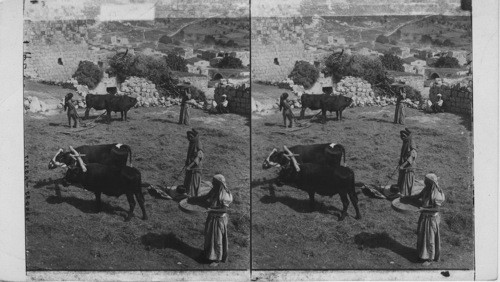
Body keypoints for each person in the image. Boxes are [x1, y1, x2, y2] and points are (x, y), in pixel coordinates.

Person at [403, 173, 445, 266]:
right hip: (424, 216)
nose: (425, 183)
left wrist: (423, 209)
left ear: (431, 183)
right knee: (422, 236)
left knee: (430, 238)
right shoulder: (427, 189)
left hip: (431, 218)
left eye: (426, 181)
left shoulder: (437, 194)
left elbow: (437, 209)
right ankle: (422, 254)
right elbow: (418, 196)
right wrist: (407, 198)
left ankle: (430, 259)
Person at [202, 174, 233, 267]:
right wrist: (192, 199)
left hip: (219, 219)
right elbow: (205, 197)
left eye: (214, 182)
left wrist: (211, 210)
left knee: (217, 240)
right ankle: (209, 254)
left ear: (219, 183)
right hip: (211, 217)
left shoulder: (225, 194)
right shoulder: (215, 190)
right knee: (209, 236)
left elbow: (225, 210)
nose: (212, 183)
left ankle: (217, 259)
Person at [184, 129, 204, 198]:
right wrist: (187, 161)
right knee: (188, 179)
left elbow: (199, 157)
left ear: (194, 136)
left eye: (191, 136)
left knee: (194, 180)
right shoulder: (191, 142)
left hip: (196, 167)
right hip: (190, 164)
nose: (189, 138)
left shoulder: (198, 144)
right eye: (188, 136)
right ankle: (187, 192)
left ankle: (193, 195)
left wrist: (190, 166)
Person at [397, 128, 417, 196]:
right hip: (404, 163)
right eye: (401, 136)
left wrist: (403, 165)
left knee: (407, 180)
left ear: (407, 136)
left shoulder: (411, 145)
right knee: (401, 178)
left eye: (404, 136)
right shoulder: (405, 142)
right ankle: (400, 189)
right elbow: (403, 154)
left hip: (409, 165)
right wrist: (400, 161)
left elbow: (411, 158)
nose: (402, 137)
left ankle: (405, 194)